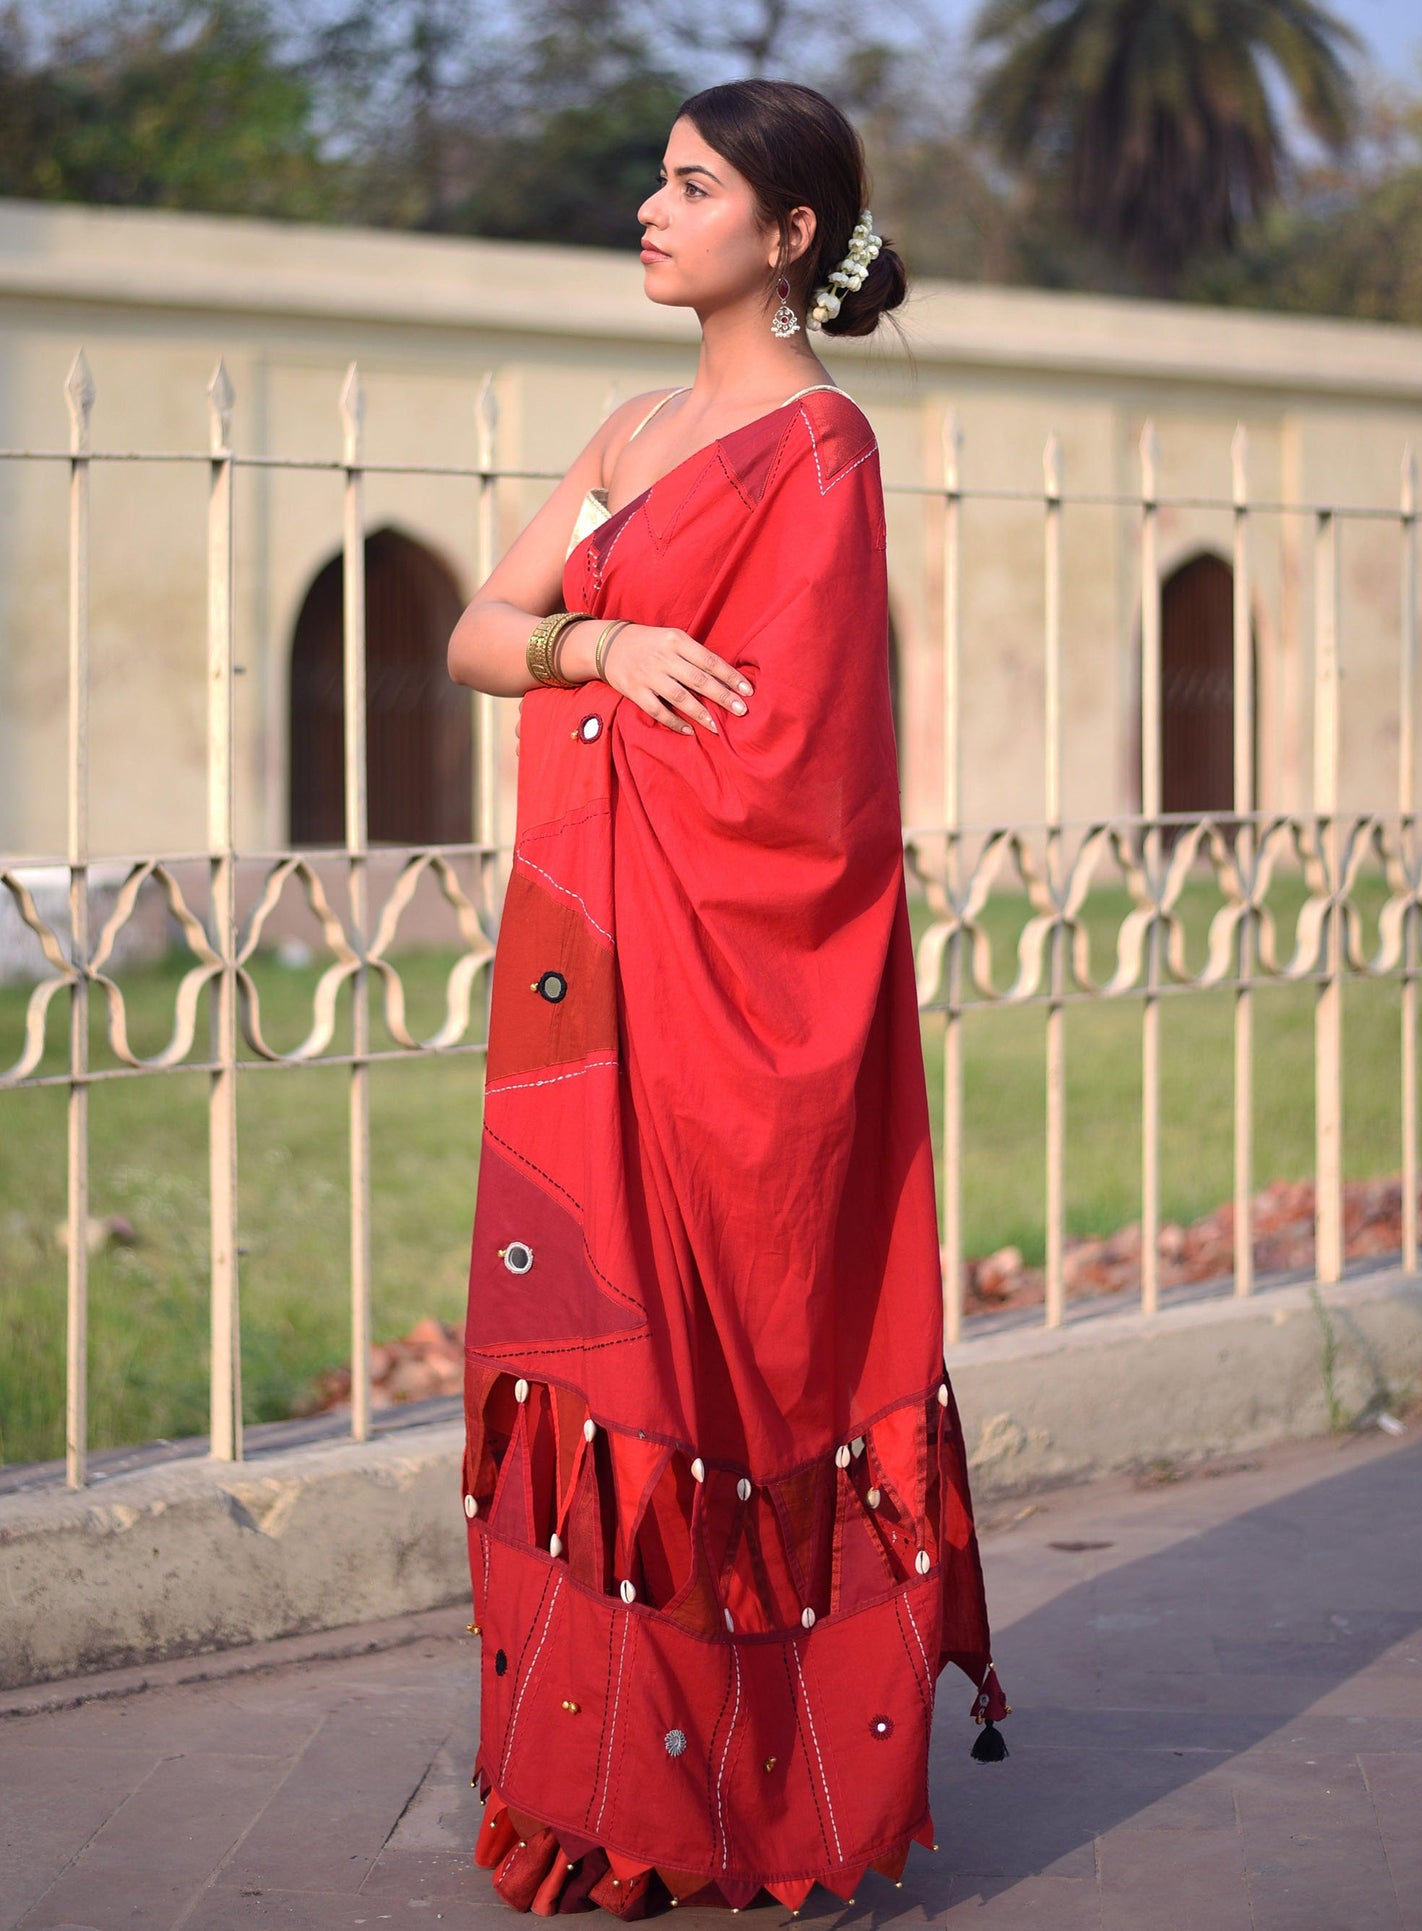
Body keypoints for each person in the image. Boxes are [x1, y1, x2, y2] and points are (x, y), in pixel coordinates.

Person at [445, 76, 1011, 1921]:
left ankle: (758, 1804)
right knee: (600, 1370)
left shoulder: (820, 449)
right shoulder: (629, 423)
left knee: (719, 1370)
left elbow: (808, 769)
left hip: (728, 994)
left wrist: (616, 685)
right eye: (654, 179)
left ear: (783, 240)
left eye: (690, 188)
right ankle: (606, 1792)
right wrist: (598, 642)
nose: (647, 208)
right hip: (591, 983)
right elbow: (476, 636)